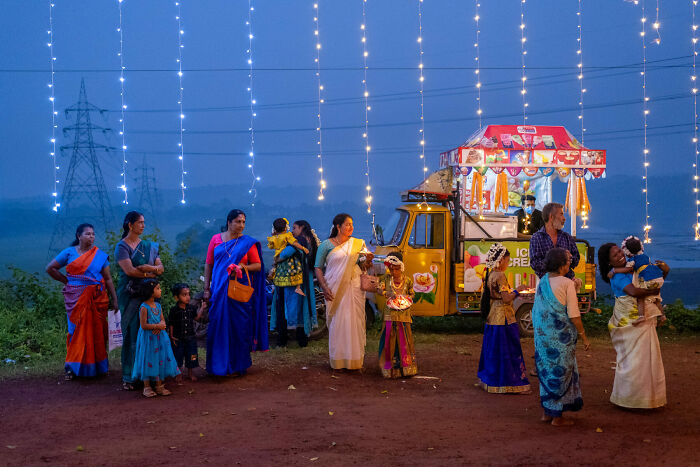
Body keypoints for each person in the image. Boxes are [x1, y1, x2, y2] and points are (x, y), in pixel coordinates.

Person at [598, 242, 668, 409]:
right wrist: (652, 291)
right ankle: (629, 400)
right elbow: (635, 292)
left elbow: (651, 280)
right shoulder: (617, 276)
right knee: (633, 361)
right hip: (630, 322)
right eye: (615, 255)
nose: (620, 255)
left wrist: (664, 271)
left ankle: (646, 399)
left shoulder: (632, 268)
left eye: (620, 251)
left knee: (646, 359)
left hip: (642, 322)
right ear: (609, 263)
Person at [46, 223, 119, 380]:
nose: (91, 237)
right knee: (75, 331)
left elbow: (108, 279)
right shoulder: (69, 253)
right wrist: (67, 281)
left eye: (93, 234)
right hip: (75, 297)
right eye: (87, 234)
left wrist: (115, 299)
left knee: (98, 332)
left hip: (96, 298)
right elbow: (50, 268)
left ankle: (99, 367)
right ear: (78, 236)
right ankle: (72, 368)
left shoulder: (99, 255)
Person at [203, 209, 268, 376]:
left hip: (239, 292)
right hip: (218, 290)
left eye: (244, 222)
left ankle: (239, 365)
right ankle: (218, 366)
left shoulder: (247, 243)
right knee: (218, 326)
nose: (241, 225)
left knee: (239, 327)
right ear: (229, 222)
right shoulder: (216, 240)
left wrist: (242, 266)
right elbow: (209, 264)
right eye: (238, 222)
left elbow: (258, 265)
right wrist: (206, 289)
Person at [532, 248, 591, 426]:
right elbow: (574, 314)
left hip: (543, 338)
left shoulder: (542, 281)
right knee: (561, 372)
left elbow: (537, 311)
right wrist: (584, 335)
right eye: (567, 261)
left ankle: (547, 413)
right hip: (561, 338)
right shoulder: (566, 283)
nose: (569, 264)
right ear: (561, 264)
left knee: (547, 370)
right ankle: (557, 417)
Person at [314, 213, 372, 371]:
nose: (351, 227)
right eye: (347, 224)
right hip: (334, 287)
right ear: (338, 227)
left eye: (352, 224)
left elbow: (365, 266)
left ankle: (354, 360)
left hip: (354, 286)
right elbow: (318, 267)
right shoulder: (326, 245)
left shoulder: (358, 244)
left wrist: (368, 260)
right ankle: (338, 360)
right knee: (339, 321)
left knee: (355, 320)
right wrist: (324, 287)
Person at [115, 211, 164, 391]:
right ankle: (130, 375)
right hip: (130, 294)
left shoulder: (149, 246)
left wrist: (150, 268)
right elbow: (129, 271)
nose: (143, 226)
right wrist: (151, 273)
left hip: (148, 294)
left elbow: (161, 268)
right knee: (132, 333)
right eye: (140, 223)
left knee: (151, 333)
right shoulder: (122, 246)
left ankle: (150, 374)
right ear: (130, 225)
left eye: (144, 222)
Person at [477, 243, 531, 394]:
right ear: (501, 261)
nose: (508, 264)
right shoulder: (500, 275)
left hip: (492, 317)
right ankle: (510, 383)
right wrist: (518, 290)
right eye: (507, 261)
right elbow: (506, 298)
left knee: (493, 351)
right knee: (508, 351)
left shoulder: (488, 274)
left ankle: (491, 380)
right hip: (504, 319)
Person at [270, 220, 319, 348]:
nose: (292, 230)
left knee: (285, 307)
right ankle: (302, 340)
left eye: (295, 228)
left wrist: (276, 260)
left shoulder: (299, 240)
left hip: (292, 280)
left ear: (302, 227)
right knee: (302, 308)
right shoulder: (310, 240)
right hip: (304, 277)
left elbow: (285, 253)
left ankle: (282, 341)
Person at [131, 279, 180, 397]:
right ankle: (146, 387)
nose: (160, 290)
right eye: (158, 288)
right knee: (147, 359)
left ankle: (159, 386)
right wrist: (157, 326)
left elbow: (162, 319)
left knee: (159, 359)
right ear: (150, 291)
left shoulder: (158, 305)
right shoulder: (144, 307)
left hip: (159, 338)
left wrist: (161, 325)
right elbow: (143, 325)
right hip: (148, 339)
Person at [376, 252, 417, 379]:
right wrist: (386, 292)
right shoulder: (386, 279)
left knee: (404, 340)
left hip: (404, 315)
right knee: (388, 339)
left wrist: (407, 298)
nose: (394, 272)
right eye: (391, 269)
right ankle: (388, 369)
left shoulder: (408, 280)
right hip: (390, 315)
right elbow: (378, 289)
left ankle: (406, 368)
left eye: (396, 269)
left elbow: (412, 294)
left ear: (402, 267)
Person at [608, 235, 666, 324]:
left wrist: (614, 270)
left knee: (640, 297)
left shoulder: (633, 260)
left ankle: (641, 316)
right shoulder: (645, 256)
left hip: (648, 279)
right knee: (655, 298)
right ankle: (662, 315)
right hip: (658, 277)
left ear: (627, 251)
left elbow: (629, 269)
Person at [529, 202, 582, 289]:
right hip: (547, 286)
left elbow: (576, 259)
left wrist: (570, 258)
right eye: (561, 214)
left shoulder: (567, 237)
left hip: (568, 284)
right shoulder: (537, 238)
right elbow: (535, 263)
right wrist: (558, 264)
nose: (564, 218)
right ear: (551, 216)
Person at [168, 283, 206, 382]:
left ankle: (190, 373)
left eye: (188, 294)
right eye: (184, 295)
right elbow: (171, 323)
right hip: (178, 338)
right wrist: (171, 336)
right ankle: (178, 373)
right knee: (178, 356)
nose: (188, 297)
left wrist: (202, 308)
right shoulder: (174, 310)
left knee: (192, 355)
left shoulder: (192, 308)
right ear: (176, 297)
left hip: (191, 338)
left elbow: (196, 318)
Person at [267, 217, 309, 296]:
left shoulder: (274, 238)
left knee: (275, 270)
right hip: (285, 260)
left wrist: (274, 236)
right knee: (297, 271)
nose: (292, 231)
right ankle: (298, 288)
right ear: (286, 228)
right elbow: (294, 244)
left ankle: (273, 285)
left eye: (294, 228)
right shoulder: (287, 236)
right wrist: (303, 248)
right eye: (291, 228)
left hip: (277, 256)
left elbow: (271, 246)